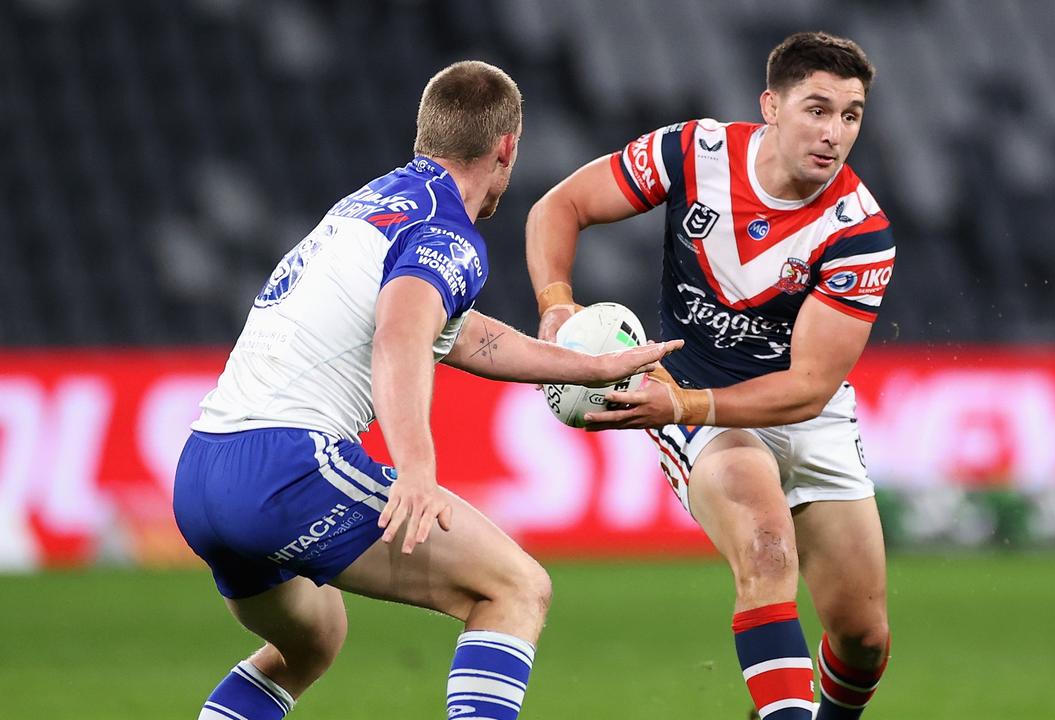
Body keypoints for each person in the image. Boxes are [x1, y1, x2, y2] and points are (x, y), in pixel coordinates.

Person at [173, 60, 681, 720]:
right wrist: (416, 468)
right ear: (507, 147)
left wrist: (579, 365)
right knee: (514, 588)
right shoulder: (446, 233)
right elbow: (400, 335)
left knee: (314, 639)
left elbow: (461, 337)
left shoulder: (380, 203)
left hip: (203, 472)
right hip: (287, 467)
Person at [526, 32, 894, 720]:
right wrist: (557, 306)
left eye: (851, 115)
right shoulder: (694, 154)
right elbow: (559, 207)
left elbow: (808, 388)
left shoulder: (859, 230)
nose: (834, 133)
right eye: (817, 109)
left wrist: (683, 404)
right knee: (764, 547)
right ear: (771, 108)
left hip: (791, 413)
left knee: (864, 639)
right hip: (701, 415)